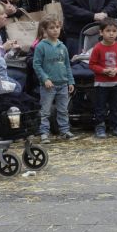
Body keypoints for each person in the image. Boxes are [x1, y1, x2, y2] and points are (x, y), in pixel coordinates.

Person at [33, 15, 76, 143]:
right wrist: (45, 79)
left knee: (63, 110)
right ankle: (44, 132)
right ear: (45, 30)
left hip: (63, 83)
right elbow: (36, 65)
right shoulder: (41, 46)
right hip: (48, 85)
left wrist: (70, 81)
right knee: (45, 110)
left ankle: (64, 130)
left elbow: (67, 65)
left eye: (57, 27)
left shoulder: (62, 46)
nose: (55, 30)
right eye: (51, 28)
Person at [88, 18, 117, 138]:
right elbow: (92, 64)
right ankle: (100, 127)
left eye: (114, 31)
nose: (111, 34)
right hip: (101, 84)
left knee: (116, 107)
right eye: (108, 31)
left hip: (115, 83)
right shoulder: (97, 48)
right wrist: (104, 71)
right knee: (100, 107)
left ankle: (116, 127)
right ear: (101, 32)